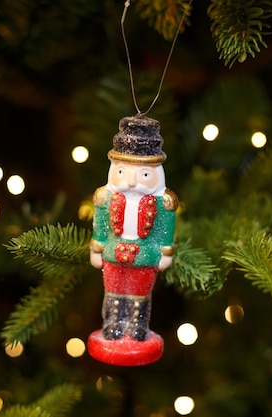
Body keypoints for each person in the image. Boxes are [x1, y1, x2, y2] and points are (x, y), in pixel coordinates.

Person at [88, 115, 177, 366]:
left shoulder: (163, 203)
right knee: (114, 288)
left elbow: (165, 230)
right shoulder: (105, 198)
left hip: (145, 255)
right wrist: (96, 247)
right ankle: (114, 323)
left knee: (140, 292)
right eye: (121, 172)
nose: (131, 181)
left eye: (144, 174)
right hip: (114, 253)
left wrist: (166, 252)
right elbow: (101, 226)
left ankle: (137, 326)